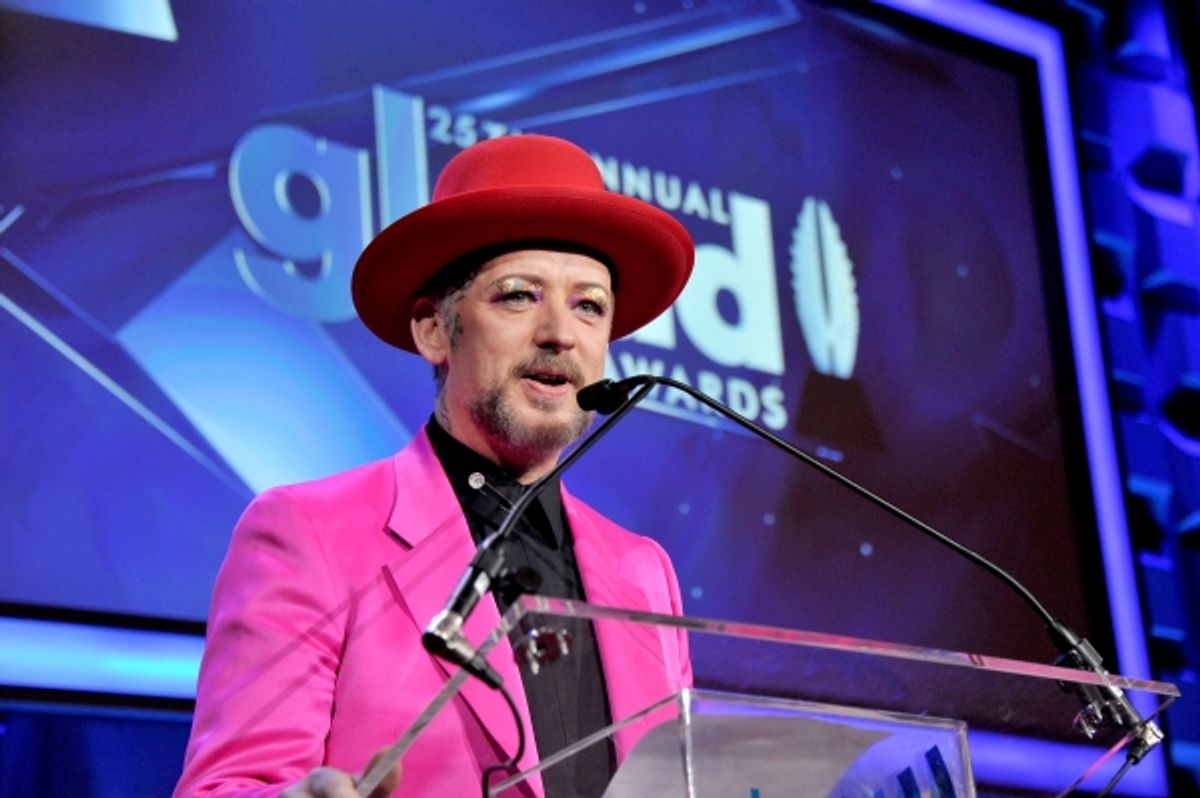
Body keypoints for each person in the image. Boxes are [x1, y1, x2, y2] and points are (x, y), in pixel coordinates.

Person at [172, 134, 696, 798]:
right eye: (517, 296)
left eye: (589, 305)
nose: (561, 332)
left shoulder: (643, 572)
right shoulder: (306, 532)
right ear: (434, 331)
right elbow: (228, 788)